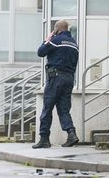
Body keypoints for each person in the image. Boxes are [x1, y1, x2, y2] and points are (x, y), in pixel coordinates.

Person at [32, 20, 79, 149]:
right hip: (69, 78)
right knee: (64, 109)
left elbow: (41, 52)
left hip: (56, 78)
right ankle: (71, 134)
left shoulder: (56, 40)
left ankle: (44, 139)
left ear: (57, 29)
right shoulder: (74, 43)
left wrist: (47, 39)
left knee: (47, 108)